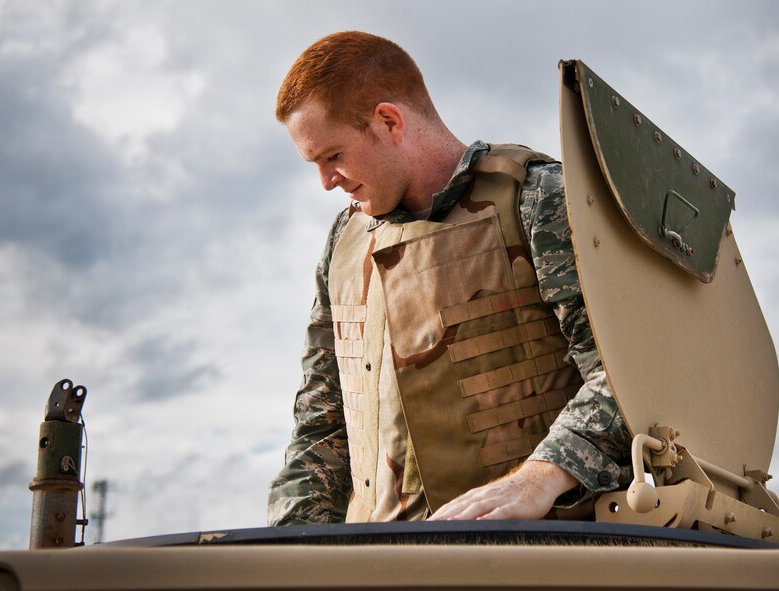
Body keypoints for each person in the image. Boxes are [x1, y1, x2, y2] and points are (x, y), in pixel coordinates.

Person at [268, 31, 631, 525]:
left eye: (333, 156)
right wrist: (287, 555)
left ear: (388, 121)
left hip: (535, 555)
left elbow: (627, 373)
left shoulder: (537, 198)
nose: (326, 181)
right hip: (375, 567)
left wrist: (542, 475)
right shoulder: (343, 242)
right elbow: (321, 426)